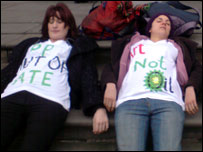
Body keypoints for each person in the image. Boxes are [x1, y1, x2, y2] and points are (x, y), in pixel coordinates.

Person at [1, 3, 109, 151]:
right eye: (51, 22)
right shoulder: (31, 45)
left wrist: (98, 107)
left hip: (50, 100)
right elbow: (9, 71)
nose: (54, 26)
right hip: (13, 94)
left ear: (69, 26)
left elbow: (88, 76)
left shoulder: (76, 47)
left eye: (59, 21)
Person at [101, 13, 202, 151]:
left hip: (168, 102)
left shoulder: (177, 46)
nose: (164, 23)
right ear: (149, 28)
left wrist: (191, 88)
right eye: (159, 20)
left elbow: (197, 68)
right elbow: (111, 66)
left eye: (168, 23)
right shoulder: (132, 43)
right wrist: (110, 84)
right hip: (131, 100)